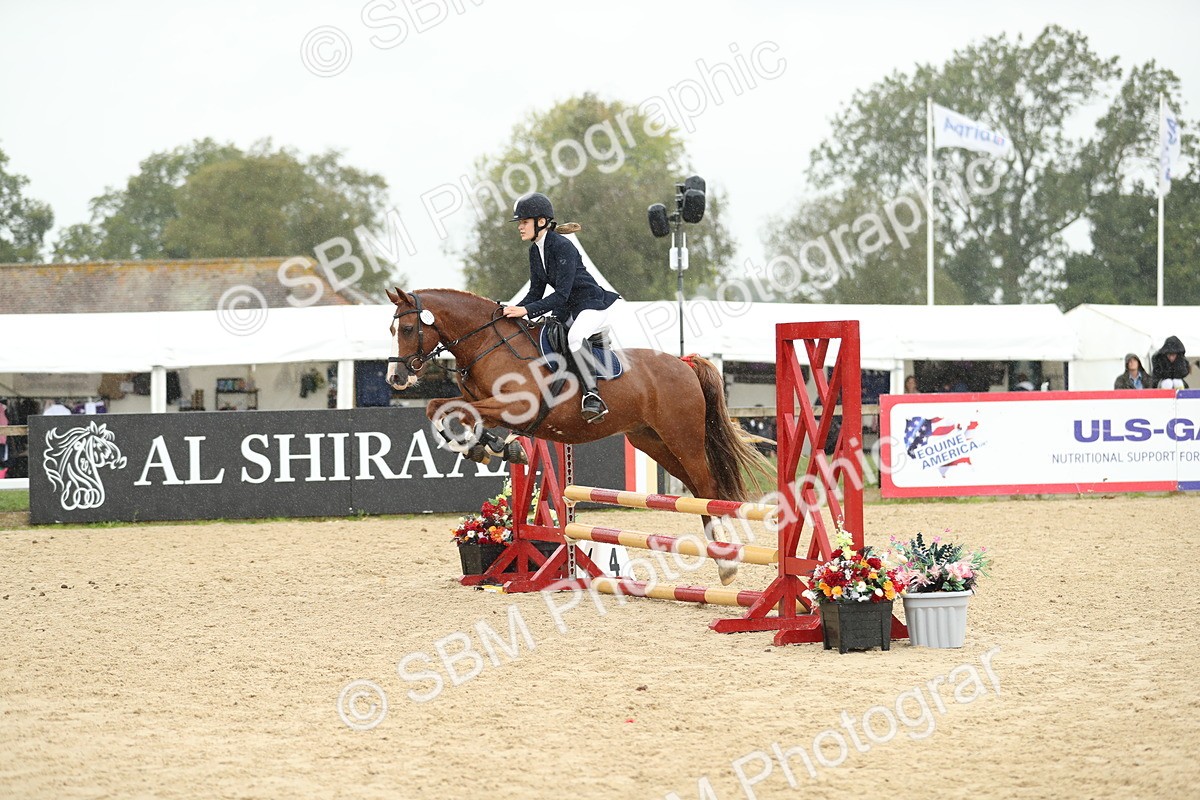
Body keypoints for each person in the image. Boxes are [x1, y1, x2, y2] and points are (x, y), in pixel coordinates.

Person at [502, 192, 624, 423]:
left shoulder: (563, 246)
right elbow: (535, 292)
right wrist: (509, 310)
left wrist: (527, 311)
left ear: (541, 222)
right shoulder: (534, 251)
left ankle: (592, 396)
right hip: (567, 308)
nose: (520, 227)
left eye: (524, 222)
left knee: (575, 338)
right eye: (520, 223)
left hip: (591, 304)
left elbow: (561, 294)